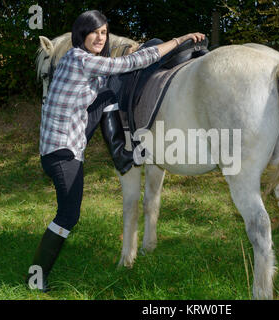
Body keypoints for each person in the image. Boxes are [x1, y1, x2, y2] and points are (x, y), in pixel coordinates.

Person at [27, 9, 205, 292]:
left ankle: (122, 155)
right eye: (94, 32)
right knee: (68, 216)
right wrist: (177, 40)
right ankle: (36, 277)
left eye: (104, 33)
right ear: (81, 34)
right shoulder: (78, 59)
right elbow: (133, 62)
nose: (99, 37)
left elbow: (106, 89)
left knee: (108, 94)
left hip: (66, 146)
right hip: (61, 152)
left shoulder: (84, 64)